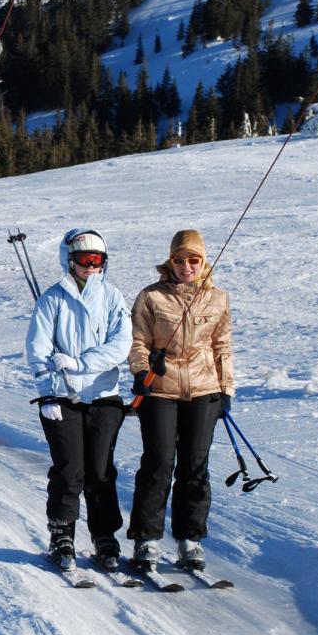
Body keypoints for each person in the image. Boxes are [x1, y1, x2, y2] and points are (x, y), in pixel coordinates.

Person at [127, 229, 235, 571]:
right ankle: (147, 539)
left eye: (193, 260)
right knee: (159, 462)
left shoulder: (217, 298)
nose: (186, 266)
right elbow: (137, 341)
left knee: (195, 466)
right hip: (160, 389)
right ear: (169, 262)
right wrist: (140, 373)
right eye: (179, 260)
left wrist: (226, 390)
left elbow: (222, 346)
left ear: (203, 262)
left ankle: (190, 539)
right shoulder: (152, 297)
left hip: (204, 390)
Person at [25, 228, 132, 570]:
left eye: (97, 260)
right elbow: (38, 349)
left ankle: (105, 536)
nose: (90, 266)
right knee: (70, 470)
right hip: (63, 397)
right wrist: (47, 394)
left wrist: (83, 363)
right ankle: (62, 534)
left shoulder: (113, 297)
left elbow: (121, 345)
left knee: (101, 471)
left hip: (103, 396)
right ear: (68, 261)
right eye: (84, 260)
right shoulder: (52, 299)